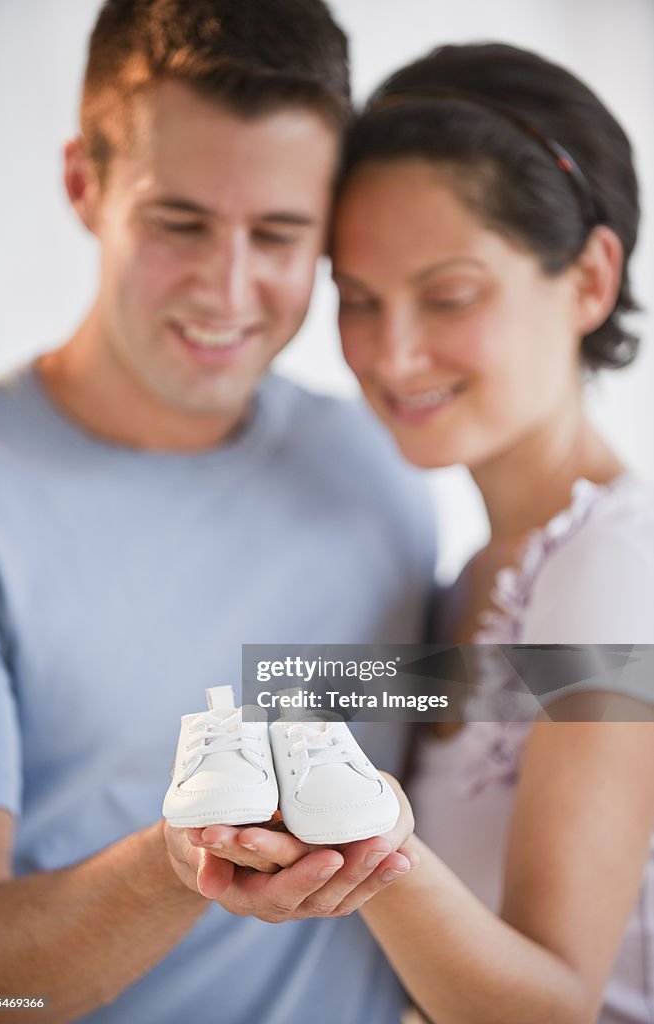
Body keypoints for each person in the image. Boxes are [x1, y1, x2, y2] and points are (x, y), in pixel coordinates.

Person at [0, 3, 435, 1021]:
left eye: (278, 233)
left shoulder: (377, 467)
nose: (228, 289)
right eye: (179, 223)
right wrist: (175, 868)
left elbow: (472, 706)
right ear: (83, 183)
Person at [199, 42, 654, 1024]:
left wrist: (364, 843)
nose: (392, 353)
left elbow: (557, 1006)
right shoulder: (471, 575)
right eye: (358, 300)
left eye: (448, 294)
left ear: (588, 279)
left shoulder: (618, 565)